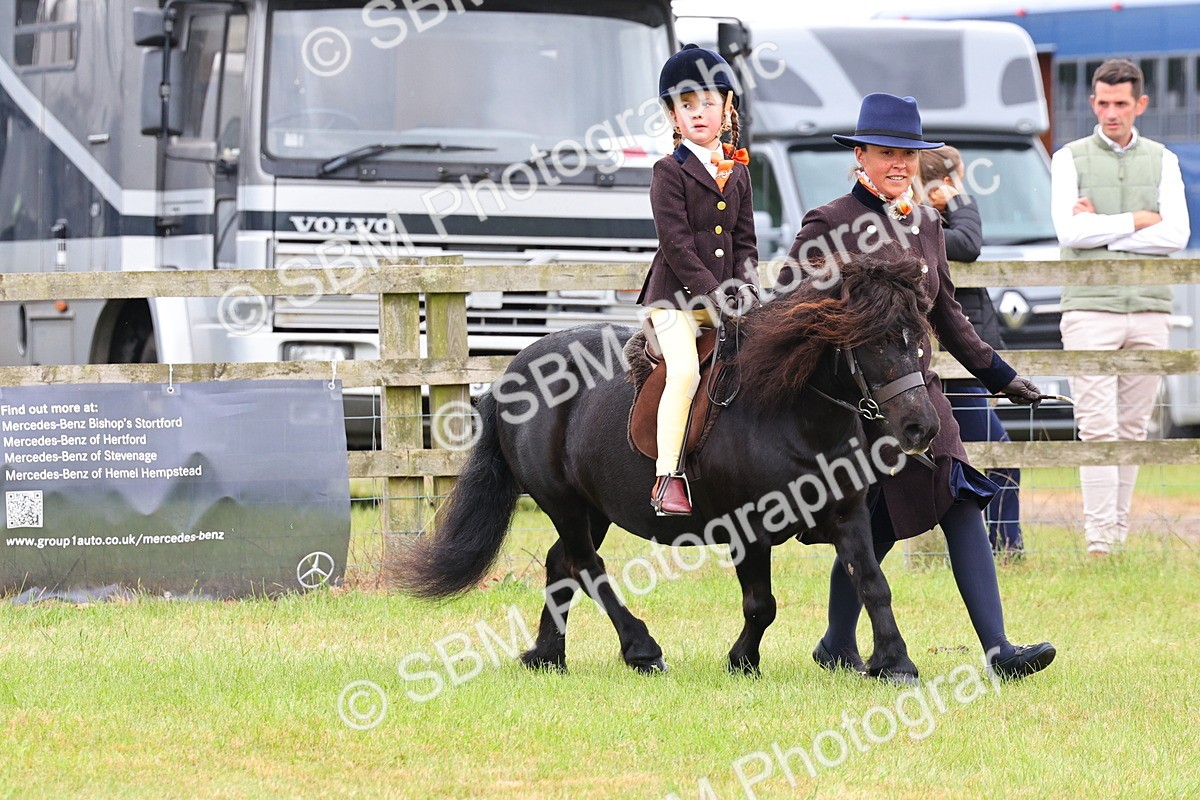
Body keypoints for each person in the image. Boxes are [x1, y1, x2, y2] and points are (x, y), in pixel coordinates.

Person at [775, 93, 1054, 680]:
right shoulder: (828, 224)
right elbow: (789, 305)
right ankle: (835, 640)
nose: (897, 164)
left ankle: (998, 650)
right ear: (860, 156)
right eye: (884, 153)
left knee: (958, 497)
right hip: (855, 404)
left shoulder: (928, 224)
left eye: (906, 153)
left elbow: (949, 316)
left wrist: (1005, 379)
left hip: (920, 394)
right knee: (869, 522)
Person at [1050, 59, 1190, 556]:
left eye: (1121, 104)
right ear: (1093, 102)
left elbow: (1177, 235)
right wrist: (1137, 219)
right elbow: (1069, 233)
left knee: (1132, 428)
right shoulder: (1068, 157)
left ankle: (1119, 535)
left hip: (1150, 306)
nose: (1111, 113)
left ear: (1140, 104)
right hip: (1089, 307)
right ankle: (1099, 541)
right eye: (1103, 103)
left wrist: (1103, 228)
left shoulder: (1164, 159)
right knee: (1097, 427)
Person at [635, 44, 759, 516]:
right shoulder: (668, 172)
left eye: (708, 103)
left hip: (728, 299)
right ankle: (668, 476)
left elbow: (746, 244)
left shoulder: (740, 172)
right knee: (685, 371)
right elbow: (677, 245)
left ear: (727, 108)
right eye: (687, 106)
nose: (699, 113)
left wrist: (746, 290)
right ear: (673, 116)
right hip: (674, 301)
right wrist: (717, 294)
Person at [916, 145, 1023, 556]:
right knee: (997, 455)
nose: (961, 187)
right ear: (944, 182)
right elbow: (971, 242)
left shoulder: (932, 224)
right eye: (957, 177)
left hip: (964, 364)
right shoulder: (927, 226)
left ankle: (1001, 547)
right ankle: (1004, 547)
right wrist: (960, 199)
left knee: (979, 457)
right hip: (952, 367)